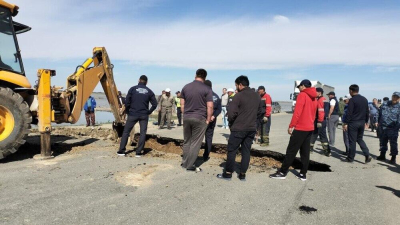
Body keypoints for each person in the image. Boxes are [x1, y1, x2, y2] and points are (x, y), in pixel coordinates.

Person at [217, 76, 263, 181]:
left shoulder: (238, 96)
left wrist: (232, 124)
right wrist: (256, 124)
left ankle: (228, 173)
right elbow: (261, 112)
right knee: (246, 151)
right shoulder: (257, 96)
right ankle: (242, 174)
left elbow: (232, 113)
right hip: (251, 129)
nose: (236, 87)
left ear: (240, 85)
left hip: (238, 128)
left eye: (236, 85)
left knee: (232, 150)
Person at [269, 79, 317, 181]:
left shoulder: (302, 95)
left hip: (301, 127)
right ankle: (303, 174)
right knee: (305, 152)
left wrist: (291, 125)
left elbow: (297, 112)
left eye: (299, 86)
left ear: (303, 86)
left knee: (291, 151)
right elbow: (314, 113)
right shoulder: (314, 97)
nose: (299, 88)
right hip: (309, 128)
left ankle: (283, 172)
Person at [180, 68, 213, 171]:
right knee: (195, 143)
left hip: (187, 117)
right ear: (205, 77)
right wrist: (208, 120)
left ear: (196, 75)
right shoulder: (207, 89)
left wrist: (185, 114)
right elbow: (210, 106)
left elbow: (182, 104)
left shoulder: (186, 87)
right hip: (199, 118)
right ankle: (190, 165)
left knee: (187, 141)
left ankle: (184, 163)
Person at [117, 75, 157, 157]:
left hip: (132, 114)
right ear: (147, 82)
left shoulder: (132, 89)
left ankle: (121, 151)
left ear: (139, 80)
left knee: (126, 132)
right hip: (143, 115)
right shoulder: (149, 91)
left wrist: (128, 111)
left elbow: (127, 102)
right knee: (143, 133)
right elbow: (155, 104)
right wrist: (148, 112)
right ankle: (138, 152)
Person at [343, 84, 372, 163]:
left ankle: (350, 158)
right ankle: (367, 155)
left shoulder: (352, 100)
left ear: (351, 91)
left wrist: (346, 123)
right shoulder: (365, 99)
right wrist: (366, 121)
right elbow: (367, 111)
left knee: (352, 141)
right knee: (359, 139)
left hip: (353, 123)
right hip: (361, 122)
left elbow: (349, 113)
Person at [376, 92, 400, 164]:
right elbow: (378, 113)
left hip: (393, 128)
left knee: (393, 143)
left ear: (399, 99)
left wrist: (396, 128)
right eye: (394, 96)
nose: (395, 98)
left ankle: (393, 157)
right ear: (392, 96)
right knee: (382, 142)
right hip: (382, 127)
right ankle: (382, 155)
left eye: (397, 97)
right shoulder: (385, 104)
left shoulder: (399, 107)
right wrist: (376, 121)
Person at [203, 80, 222, 161]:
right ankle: (206, 156)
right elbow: (219, 109)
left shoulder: (203, 96)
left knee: (198, 138)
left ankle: (193, 156)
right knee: (209, 137)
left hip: (202, 119)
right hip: (212, 120)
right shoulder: (216, 96)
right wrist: (214, 116)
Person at [310, 88, 329, 156]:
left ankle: (310, 149)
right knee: (323, 135)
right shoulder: (324, 99)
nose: (314, 94)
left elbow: (321, 111)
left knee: (314, 134)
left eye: (316, 92)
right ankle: (327, 151)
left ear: (319, 93)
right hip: (323, 120)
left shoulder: (320, 100)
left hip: (319, 120)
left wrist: (319, 121)